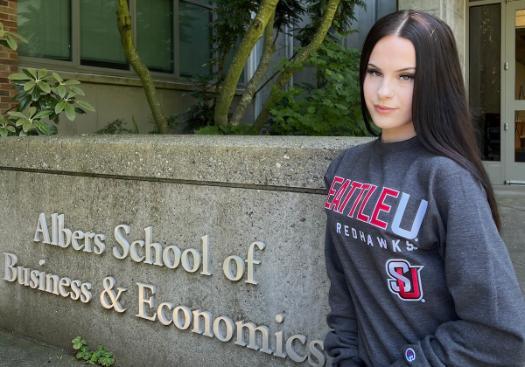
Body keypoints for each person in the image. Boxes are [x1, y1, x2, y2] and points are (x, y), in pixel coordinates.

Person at [323, 9, 525, 367]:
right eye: (374, 72)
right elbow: (344, 293)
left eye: (406, 77)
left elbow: (500, 334)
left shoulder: (447, 180)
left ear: (436, 83)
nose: (383, 91)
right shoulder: (344, 169)